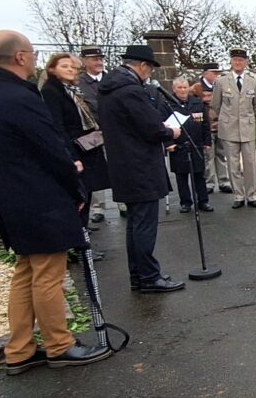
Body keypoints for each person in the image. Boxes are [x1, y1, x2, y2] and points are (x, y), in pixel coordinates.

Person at [0, 30, 111, 374]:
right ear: (19, 56)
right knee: (49, 273)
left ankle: (19, 349)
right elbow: (50, 148)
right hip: (41, 197)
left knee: (26, 272)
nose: (35, 58)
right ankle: (59, 345)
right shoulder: (22, 97)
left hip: (11, 196)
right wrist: (75, 189)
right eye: (32, 53)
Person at [98, 45, 185, 294]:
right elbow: (151, 128)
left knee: (135, 224)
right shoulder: (131, 91)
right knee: (144, 224)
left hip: (124, 164)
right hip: (140, 166)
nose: (149, 74)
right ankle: (148, 276)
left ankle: (139, 274)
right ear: (143, 66)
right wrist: (171, 132)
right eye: (149, 69)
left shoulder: (109, 88)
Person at [39, 54, 110, 237]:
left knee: (86, 195)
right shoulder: (51, 91)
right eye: (64, 66)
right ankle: (79, 241)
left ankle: (82, 232)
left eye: (72, 66)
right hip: (76, 149)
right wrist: (72, 157)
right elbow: (57, 126)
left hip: (86, 147)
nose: (70, 69)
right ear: (52, 69)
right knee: (80, 197)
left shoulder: (70, 90)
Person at [211, 49, 256, 209]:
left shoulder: (253, 81)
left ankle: (252, 195)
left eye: (241, 60)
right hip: (229, 128)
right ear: (231, 62)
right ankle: (238, 195)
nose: (238, 63)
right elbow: (216, 104)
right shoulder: (221, 81)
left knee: (250, 164)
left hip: (247, 128)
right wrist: (227, 118)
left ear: (246, 62)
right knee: (233, 164)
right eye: (235, 60)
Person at [166, 77, 213, 213]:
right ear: (174, 89)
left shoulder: (197, 103)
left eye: (185, 87)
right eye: (179, 88)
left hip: (196, 144)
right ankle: (185, 202)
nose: (183, 90)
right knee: (182, 176)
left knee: (199, 175)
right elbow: (162, 125)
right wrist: (168, 144)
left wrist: (207, 141)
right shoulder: (168, 104)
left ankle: (203, 201)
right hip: (178, 146)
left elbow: (205, 124)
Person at [79, 46, 108, 224]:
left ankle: (123, 203)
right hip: (93, 132)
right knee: (97, 169)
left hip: (114, 130)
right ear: (84, 62)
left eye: (100, 59)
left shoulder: (110, 79)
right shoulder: (80, 82)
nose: (99, 62)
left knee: (117, 166)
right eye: (94, 59)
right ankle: (99, 208)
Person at [192, 62, 228, 194]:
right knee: (208, 156)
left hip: (221, 125)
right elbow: (193, 108)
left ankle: (224, 181)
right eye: (214, 73)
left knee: (221, 154)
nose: (217, 76)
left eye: (218, 73)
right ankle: (210, 182)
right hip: (206, 127)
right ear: (206, 73)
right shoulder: (196, 88)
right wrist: (199, 125)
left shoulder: (222, 86)